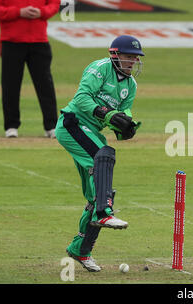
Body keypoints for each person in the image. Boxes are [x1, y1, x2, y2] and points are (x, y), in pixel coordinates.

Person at [55, 35, 144, 272]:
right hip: (72, 124)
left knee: (99, 193)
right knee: (104, 154)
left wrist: (127, 125)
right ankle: (105, 213)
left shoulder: (130, 86)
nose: (132, 61)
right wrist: (107, 115)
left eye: (135, 58)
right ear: (115, 55)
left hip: (92, 130)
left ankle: (80, 250)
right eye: (128, 56)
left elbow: (123, 112)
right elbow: (82, 98)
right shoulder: (99, 68)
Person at [0, 0, 60, 138]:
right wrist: (18, 12)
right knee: (10, 85)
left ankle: (51, 126)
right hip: (11, 41)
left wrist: (41, 12)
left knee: (45, 85)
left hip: (39, 41)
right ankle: (11, 126)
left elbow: (54, 4)